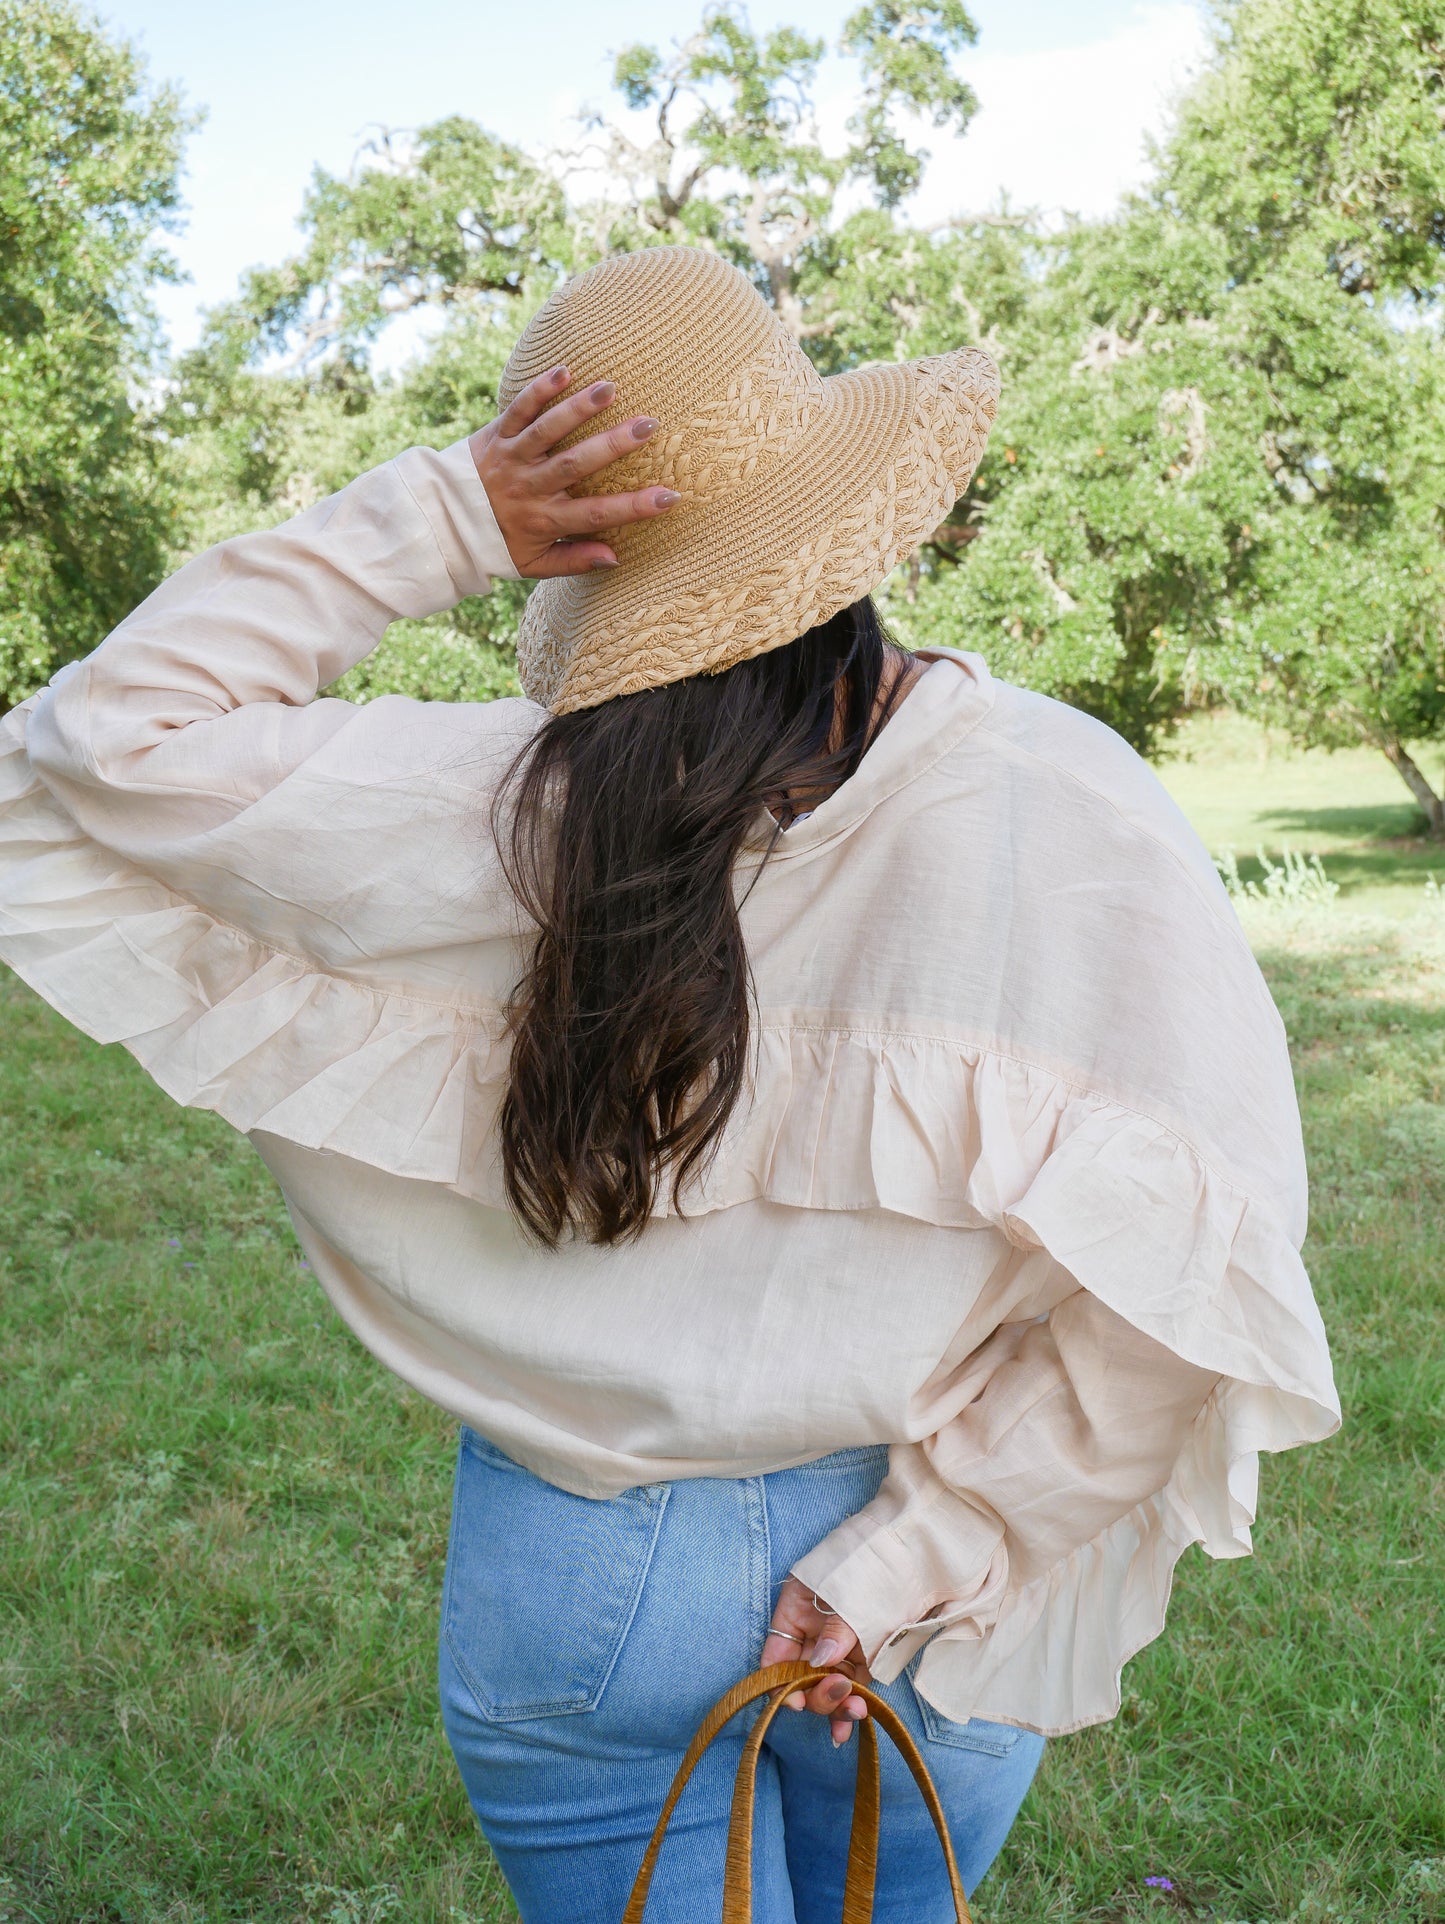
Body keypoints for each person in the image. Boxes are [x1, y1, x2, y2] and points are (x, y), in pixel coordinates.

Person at [0, 246, 1339, 1921]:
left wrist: (440, 521)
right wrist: (919, 1548)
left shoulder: (490, 812)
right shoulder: (1065, 802)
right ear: (842, 519)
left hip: (573, 1569)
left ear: (571, 542)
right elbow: (1179, 1288)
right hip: (918, 1567)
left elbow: (84, 746)